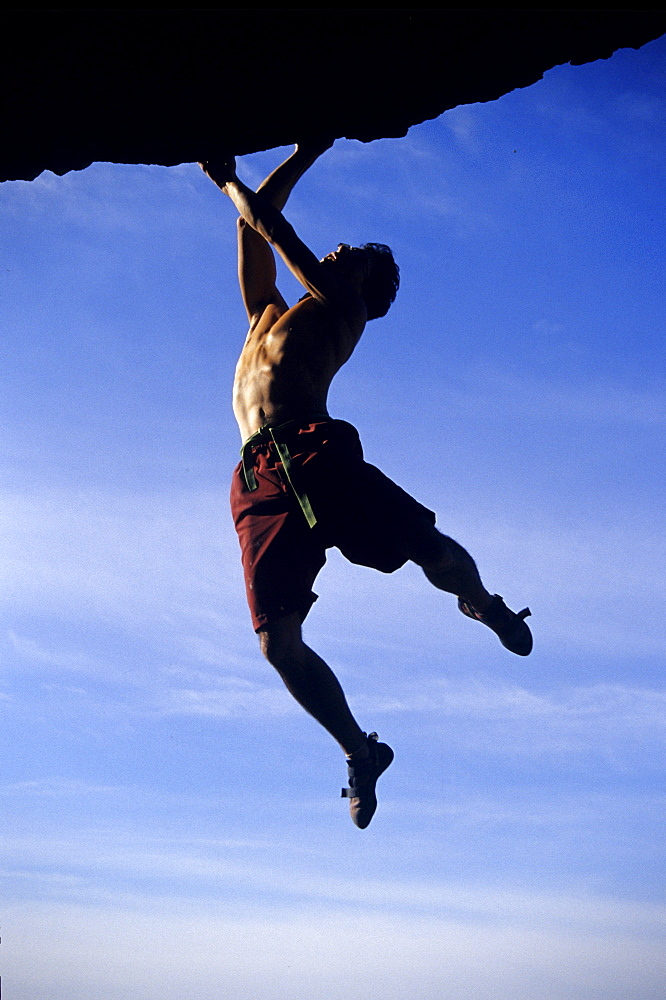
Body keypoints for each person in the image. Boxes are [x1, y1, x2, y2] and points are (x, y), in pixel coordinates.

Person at [200, 143, 532, 829]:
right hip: (258, 475)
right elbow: (250, 226)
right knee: (276, 643)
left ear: (361, 285)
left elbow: (273, 228)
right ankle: (360, 751)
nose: (338, 247)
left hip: (316, 450)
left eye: (351, 253)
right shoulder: (265, 316)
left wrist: (238, 173)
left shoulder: (341, 311)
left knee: (423, 544)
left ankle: (483, 602)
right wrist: (293, 157)